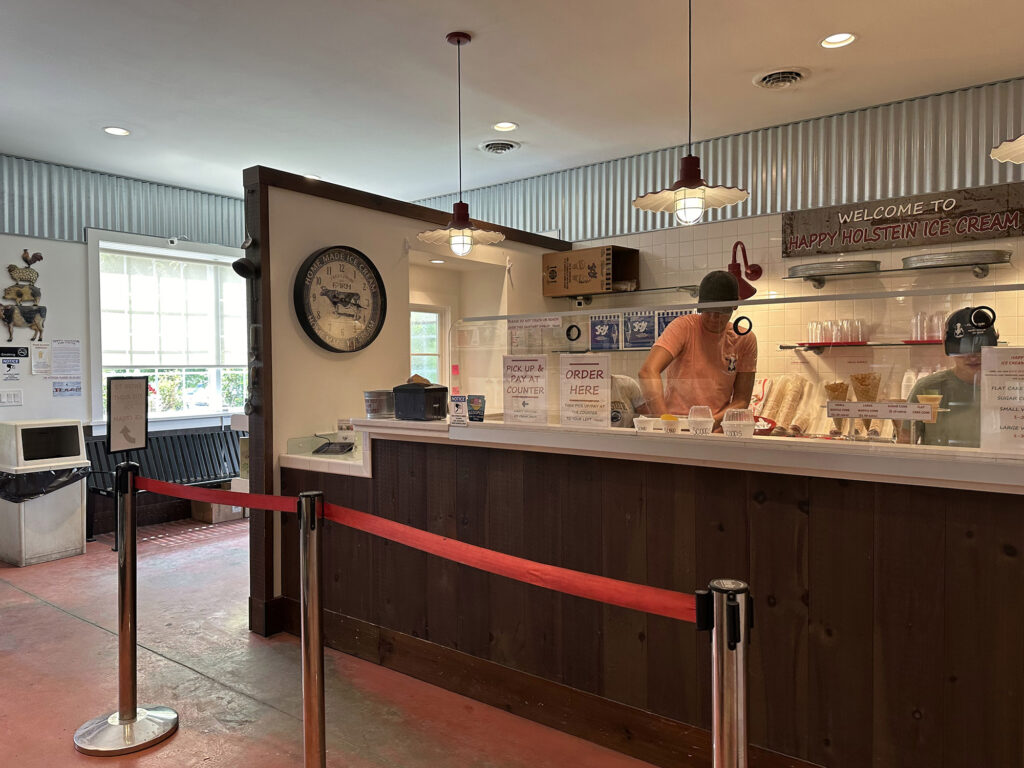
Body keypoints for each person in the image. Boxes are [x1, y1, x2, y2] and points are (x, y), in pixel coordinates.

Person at [638, 270, 757, 426]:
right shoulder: (684, 327)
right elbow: (647, 372)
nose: (714, 318)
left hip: (717, 428)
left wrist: (712, 423)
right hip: (677, 425)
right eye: (707, 311)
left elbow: (741, 399)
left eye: (721, 312)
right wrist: (665, 422)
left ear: (735, 305)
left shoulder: (745, 338)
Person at [903, 306, 998, 447]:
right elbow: (905, 443)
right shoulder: (927, 388)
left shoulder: (1008, 389)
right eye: (963, 346)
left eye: (980, 346)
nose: (972, 356)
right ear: (945, 345)